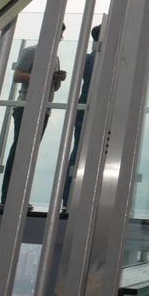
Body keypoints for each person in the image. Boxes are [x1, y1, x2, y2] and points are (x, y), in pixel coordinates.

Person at [1, 24, 66, 207]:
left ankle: (17, 198)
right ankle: (8, 198)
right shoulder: (31, 51)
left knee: (28, 153)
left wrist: (56, 79)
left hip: (44, 108)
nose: (58, 40)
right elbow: (18, 76)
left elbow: (53, 87)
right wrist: (46, 76)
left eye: (60, 38)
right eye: (58, 36)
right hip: (27, 105)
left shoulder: (55, 58)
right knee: (21, 150)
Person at [62, 23, 100, 208]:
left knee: (78, 152)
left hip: (84, 108)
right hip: (92, 110)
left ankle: (69, 199)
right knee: (84, 153)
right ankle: (77, 199)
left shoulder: (86, 59)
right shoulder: (97, 61)